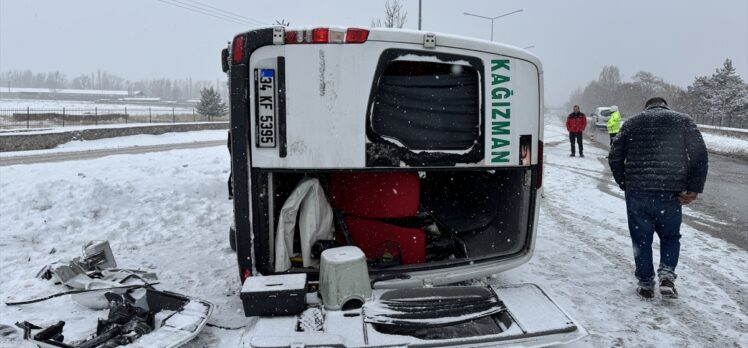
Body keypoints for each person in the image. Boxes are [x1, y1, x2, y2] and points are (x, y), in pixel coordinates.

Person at [608, 97, 708, 300]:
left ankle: (645, 284)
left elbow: (614, 156)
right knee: (670, 236)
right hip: (670, 193)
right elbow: (699, 155)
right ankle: (667, 277)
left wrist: (625, 183)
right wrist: (693, 188)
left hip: (638, 193)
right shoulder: (683, 121)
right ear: (665, 106)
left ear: (646, 107)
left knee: (641, 240)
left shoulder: (632, 123)